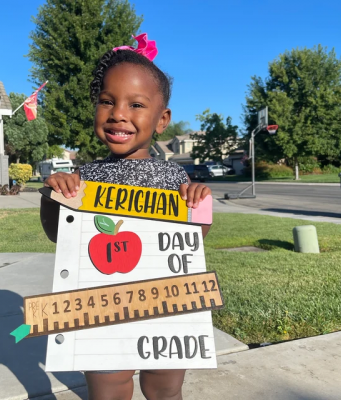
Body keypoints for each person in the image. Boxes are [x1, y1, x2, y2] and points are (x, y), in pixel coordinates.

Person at [40, 33, 212, 400]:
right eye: (107, 101)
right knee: (109, 390)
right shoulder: (84, 178)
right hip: (100, 308)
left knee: (165, 388)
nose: (119, 113)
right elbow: (58, 234)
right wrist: (56, 195)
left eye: (136, 104)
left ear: (162, 119)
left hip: (165, 306)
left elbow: (190, 244)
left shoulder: (174, 178)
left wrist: (198, 205)